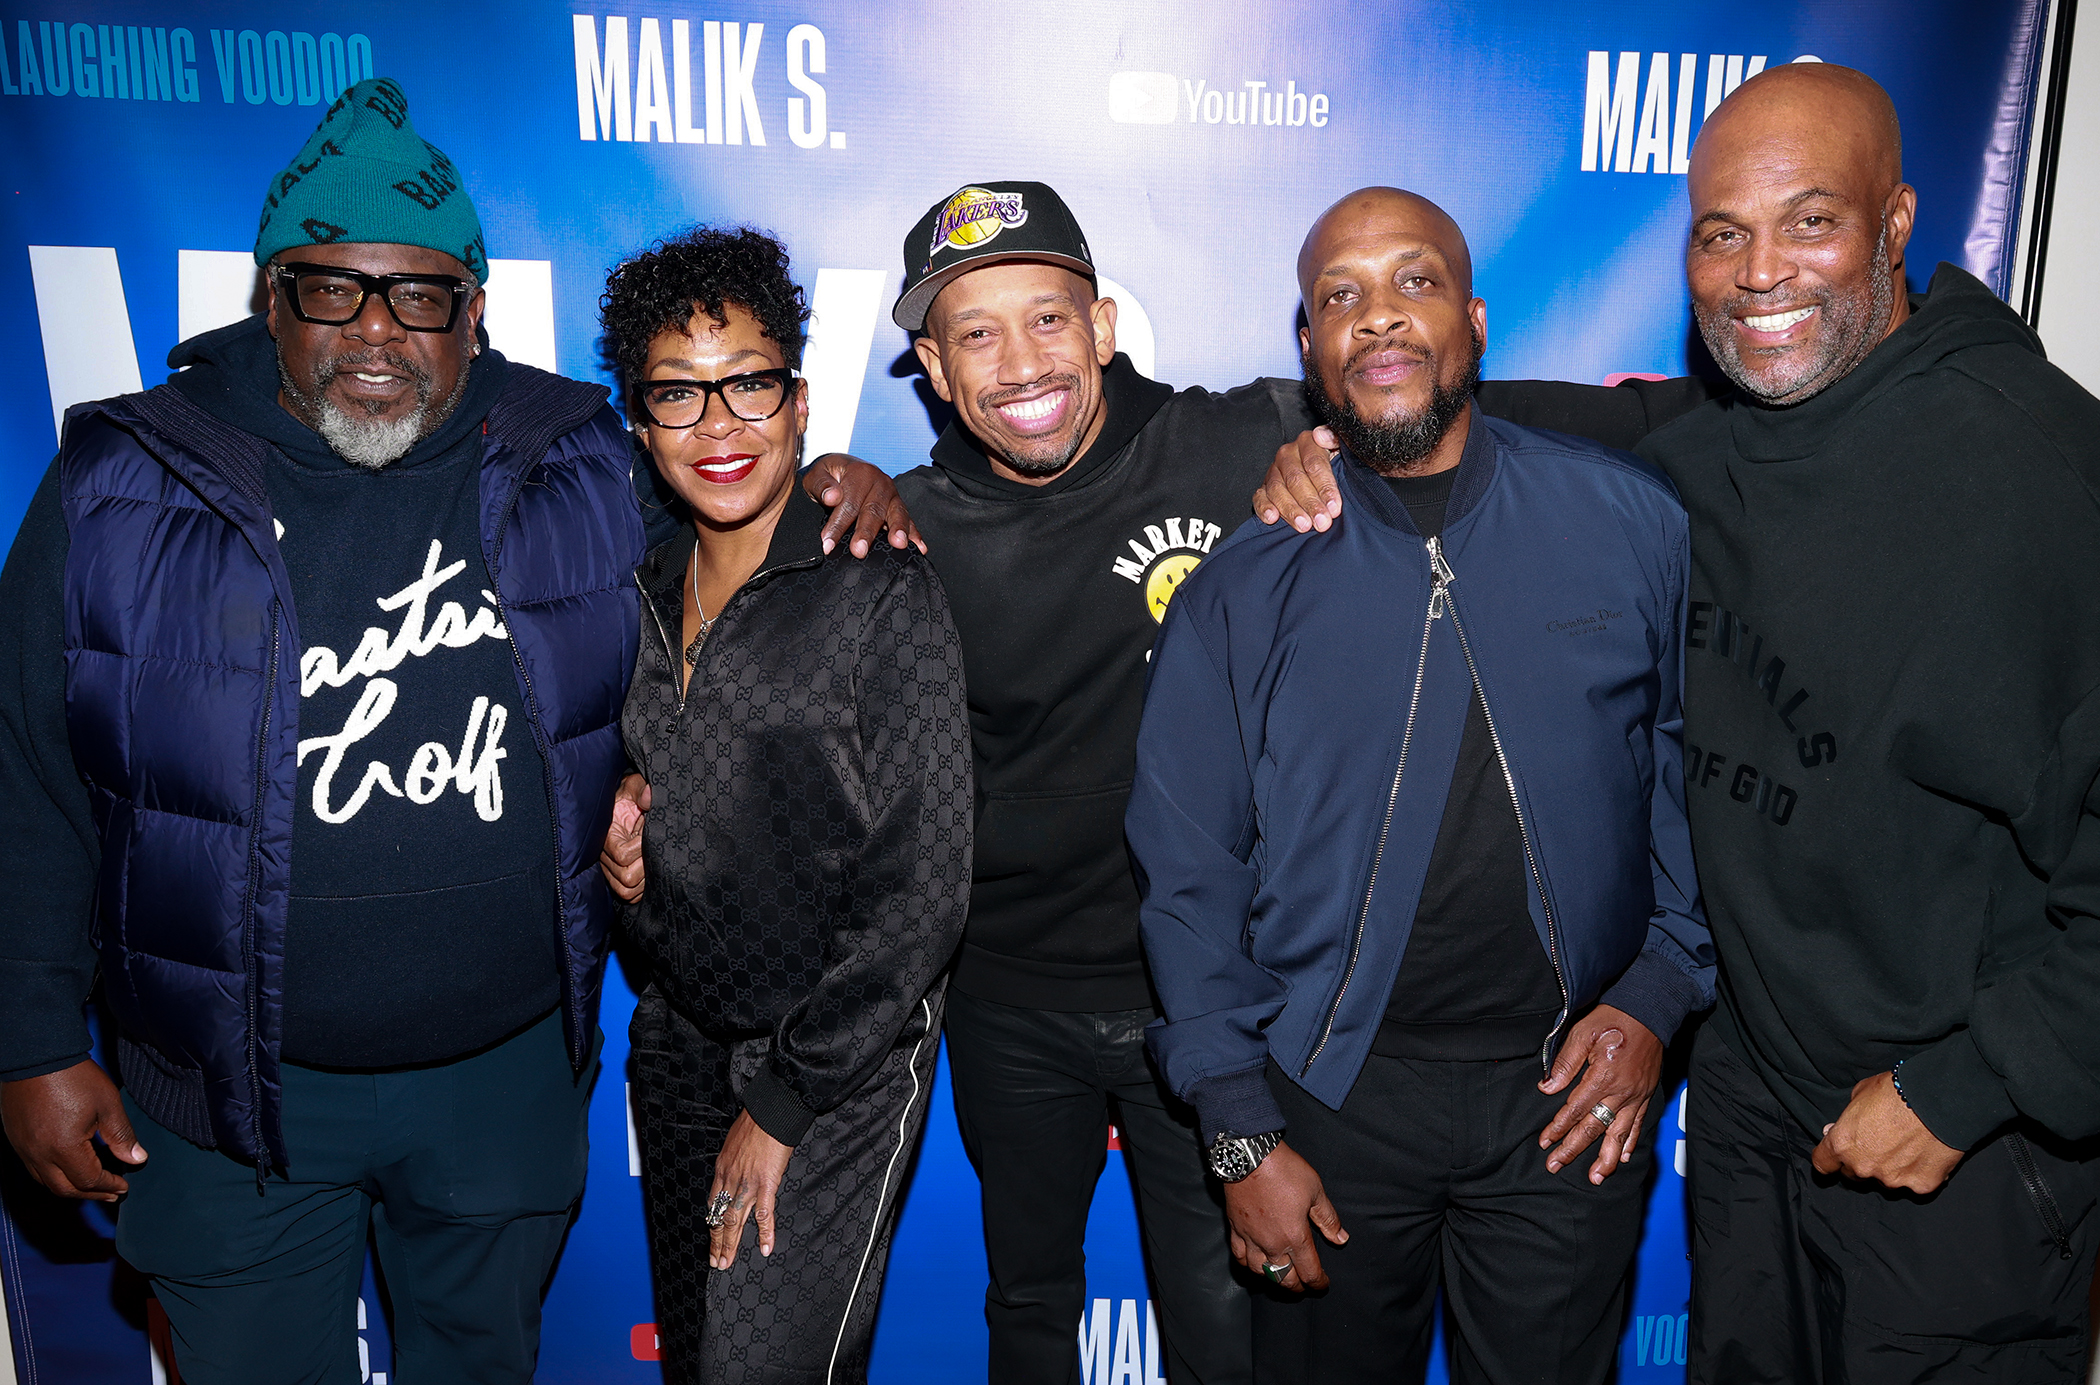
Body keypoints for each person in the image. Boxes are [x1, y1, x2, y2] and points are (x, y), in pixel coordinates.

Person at [0, 78, 909, 1384]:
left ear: (471, 309)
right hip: (226, 1102)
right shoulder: (125, 482)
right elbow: (26, 772)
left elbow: (731, 519)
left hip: (504, 1081)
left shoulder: (576, 455)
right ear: (272, 298)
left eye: (420, 294)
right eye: (333, 288)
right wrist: (29, 1036)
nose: (376, 329)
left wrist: (840, 479)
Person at [1255, 65, 2100, 1383]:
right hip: (1755, 1104)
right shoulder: (1698, 452)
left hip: (1963, 1131)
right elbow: (1461, 414)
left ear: (1895, 223)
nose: (1761, 275)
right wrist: (1313, 440)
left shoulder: (2046, 476)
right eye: (1721, 234)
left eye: (1810, 222)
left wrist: (1972, 1084)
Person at [1125, 187, 1711, 1385]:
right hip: (1327, 1098)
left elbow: (1692, 780)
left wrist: (1658, 993)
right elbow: (1187, 869)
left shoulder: (1629, 524)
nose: (1379, 316)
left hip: (1570, 1098)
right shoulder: (1244, 585)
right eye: (1340, 295)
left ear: (1475, 321)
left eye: (1415, 281)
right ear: (1309, 346)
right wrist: (1239, 1129)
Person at [603, 225, 971, 1385]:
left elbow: (925, 887)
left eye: (749, 383)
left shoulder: (878, 584)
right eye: (679, 393)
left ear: (800, 400)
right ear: (641, 422)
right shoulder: (635, 586)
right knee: (697, 1361)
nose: (719, 425)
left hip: (832, 1062)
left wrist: (785, 1099)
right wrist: (624, 856)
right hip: (676, 1042)